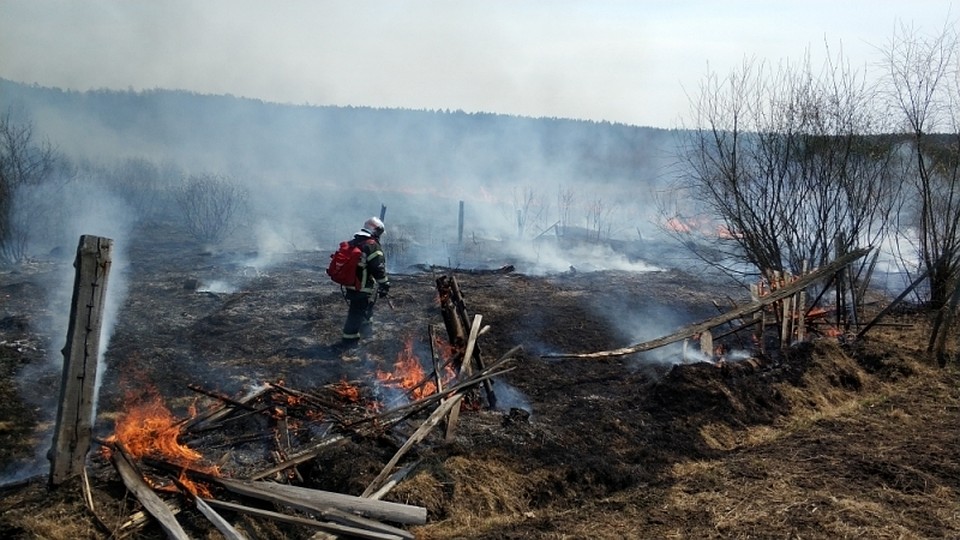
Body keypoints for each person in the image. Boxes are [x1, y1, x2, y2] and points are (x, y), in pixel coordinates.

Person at [341, 216, 390, 343]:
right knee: (356, 312)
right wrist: (385, 284)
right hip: (361, 286)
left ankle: (367, 334)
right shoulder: (372, 246)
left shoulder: (355, 241)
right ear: (377, 231)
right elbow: (378, 268)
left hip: (351, 283)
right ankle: (349, 341)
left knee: (365, 308)